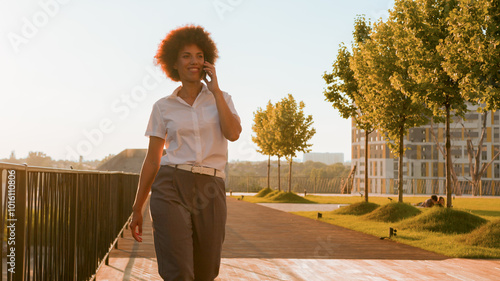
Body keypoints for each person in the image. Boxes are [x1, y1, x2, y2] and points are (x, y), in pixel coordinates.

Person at [129, 25, 241, 281]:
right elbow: (152, 159)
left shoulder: (221, 98)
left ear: (207, 61)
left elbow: (233, 133)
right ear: (174, 63)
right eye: (186, 55)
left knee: (206, 270)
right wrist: (137, 207)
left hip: (210, 187)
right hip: (171, 185)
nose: (194, 61)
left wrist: (215, 91)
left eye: (199, 55)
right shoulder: (163, 107)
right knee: (178, 270)